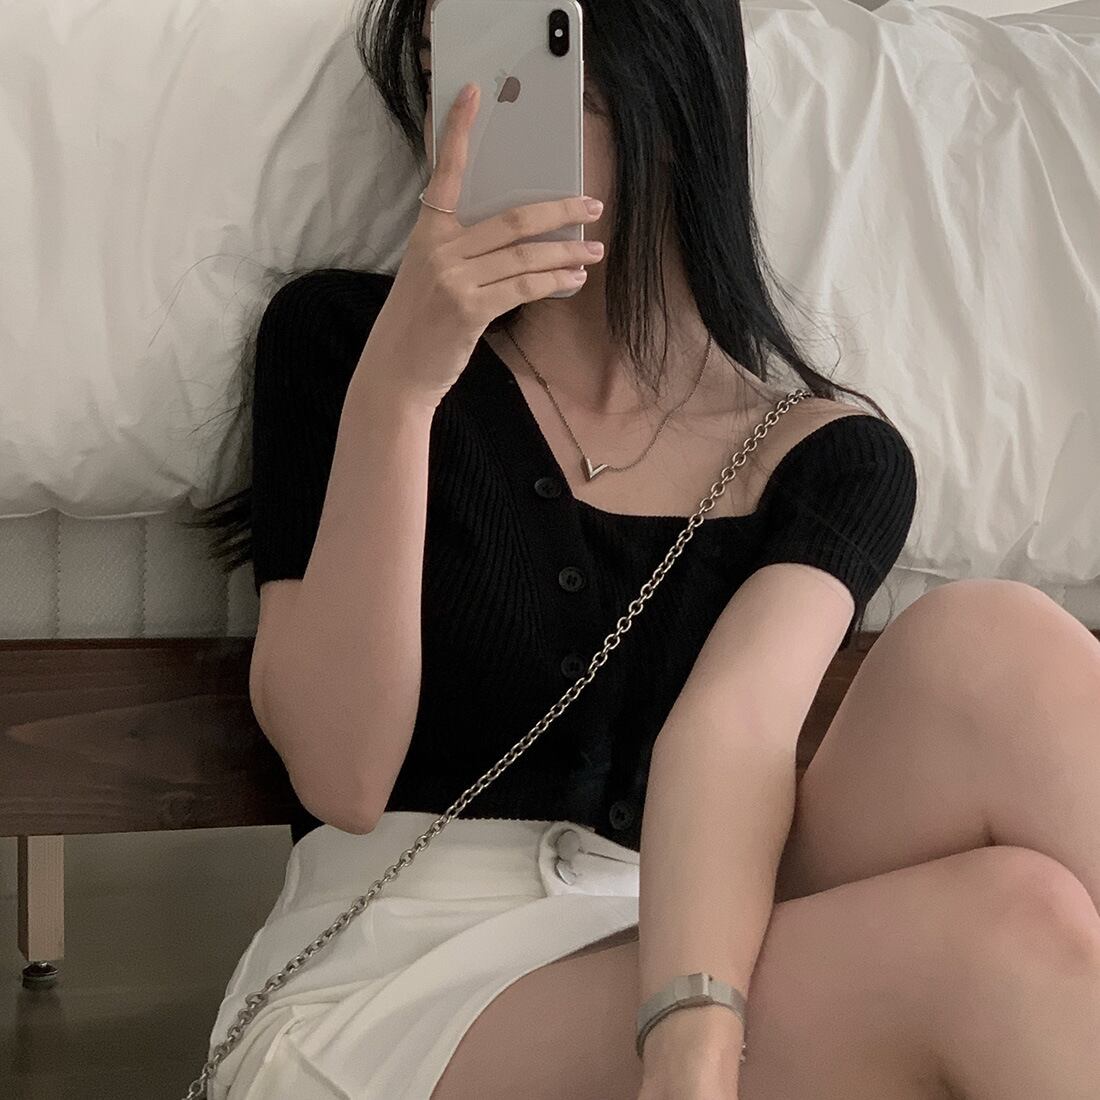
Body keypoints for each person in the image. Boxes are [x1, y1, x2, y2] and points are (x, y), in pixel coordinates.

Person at [189, 2, 1100, 1098]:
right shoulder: (344, 341)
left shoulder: (825, 455)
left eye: (532, 76)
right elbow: (340, 773)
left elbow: (734, 734)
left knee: (993, 650)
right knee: (1006, 938)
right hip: (399, 973)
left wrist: (691, 1037)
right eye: (443, 72)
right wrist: (404, 381)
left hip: (684, 931)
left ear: (665, 103)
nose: (470, 119)